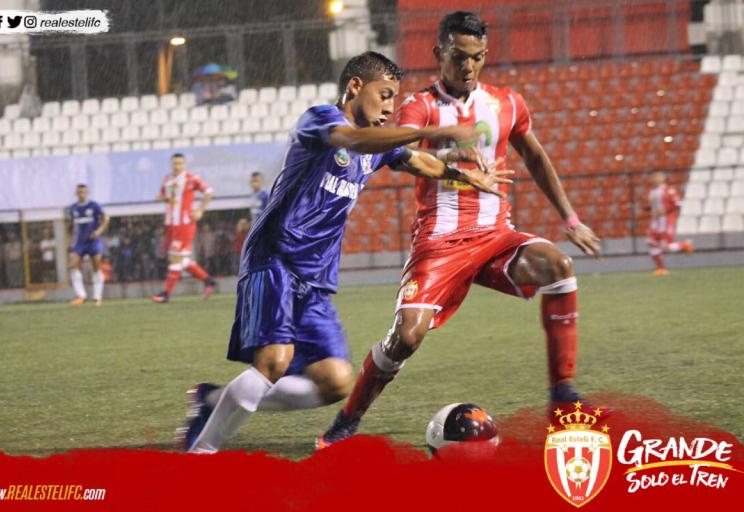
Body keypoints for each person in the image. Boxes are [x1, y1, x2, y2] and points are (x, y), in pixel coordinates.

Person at [178, 51, 510, 454]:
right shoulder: (320, 120)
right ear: (355, 86)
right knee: (273, 362)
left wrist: (461, 173)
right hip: (276, 258)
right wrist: (438, 131)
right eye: (384, 95)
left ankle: (211, 400)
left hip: (315, 277)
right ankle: (201, 454)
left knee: (334, 381)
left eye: (394, 99)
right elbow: (352, 140)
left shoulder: (377, 144)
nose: (389, 107)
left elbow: (419, 162)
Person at [318, 12, 604, 448]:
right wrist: (452, 152)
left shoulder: (507, 103)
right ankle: (347, 419)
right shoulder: (420, 105)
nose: (468, 66)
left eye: (477, 57)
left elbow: (535, 157)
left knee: (558, 266)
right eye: (458, 56)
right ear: (439, 53)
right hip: (440, 242)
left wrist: (571, 219)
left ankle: (563, 396)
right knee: (406, 337)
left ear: (485, 55)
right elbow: (401, 155)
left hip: (496, 236)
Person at [152, 154, 216, 303]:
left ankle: (166, 294)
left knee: (175, 258)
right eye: (175, 163)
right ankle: (208, 280)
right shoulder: (167, 179)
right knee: (180, 259)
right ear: (171, 164)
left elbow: (208, 191)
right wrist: (164, 198)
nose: (177, 166)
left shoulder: (191, 178)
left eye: (180, 163)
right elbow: (162, 196)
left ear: (184, 164)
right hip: (170, 223)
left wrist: (200, 210)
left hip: (184, 224)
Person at [646, 171, 693, 275]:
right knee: (651, 243)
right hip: (655, 222)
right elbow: (653, 206)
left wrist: (664, 211)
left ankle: (684, 245)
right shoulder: (652, 191)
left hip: (666, 221)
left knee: (666, 246)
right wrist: (647, 209)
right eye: (653, 177)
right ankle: (661, 269)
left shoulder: (669, 190)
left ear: (663, 178)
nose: (653, 178)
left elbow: (677, 204)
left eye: (656, 176)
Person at [68, 184, 109, 306]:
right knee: (74, 266)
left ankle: (97, 297)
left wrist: (99, 231)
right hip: (79, 242)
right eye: (79, 192)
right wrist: (70, 240)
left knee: (96, 267)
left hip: (93, 242)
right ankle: (81, 295)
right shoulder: (73, 208)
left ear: (87, 193)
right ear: (76, 194)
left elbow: (106, 218)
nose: (81, 194)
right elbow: (69, 225)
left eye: (83, 192)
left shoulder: (94, 205)